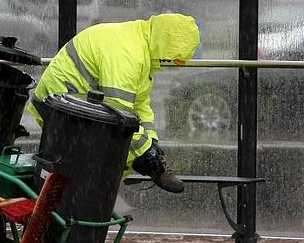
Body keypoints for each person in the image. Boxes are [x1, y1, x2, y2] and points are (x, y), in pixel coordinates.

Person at [28, 13, 200, 193]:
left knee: (94, 166)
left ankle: (80, 202)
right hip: (61, 105)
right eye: (173, 57)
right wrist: (147, 154)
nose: (170, 63)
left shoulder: (141, 48)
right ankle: (77, 204)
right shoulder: (128, 55)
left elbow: (140, 106)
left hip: (72, 105)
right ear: (165, 43)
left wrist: (152, 142)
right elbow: (120, 116)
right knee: (93, 165)